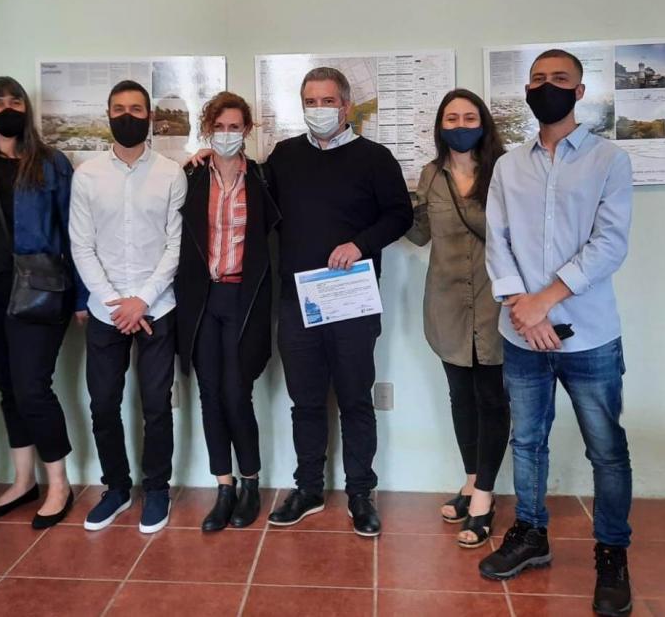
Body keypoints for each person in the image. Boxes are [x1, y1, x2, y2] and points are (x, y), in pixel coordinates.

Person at [197, 68, 412, 536]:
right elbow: (251, 192)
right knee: (305, 400)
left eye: (328, 100)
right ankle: (309, 488)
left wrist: (360, 244)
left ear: (347, 106)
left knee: (355, 399)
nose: (319, 109)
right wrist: (209, 158)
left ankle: (360, 493)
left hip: (352, 298)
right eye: (311, 101)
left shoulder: (375, 158)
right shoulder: (285, 156)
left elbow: (400, 214)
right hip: (298, 302)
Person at [480, 49, 634, 617]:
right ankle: (530, 534)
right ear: (527, 88)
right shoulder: (508, 167)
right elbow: (498, 241)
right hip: (522, 334)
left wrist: (544, 300)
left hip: (589, 336)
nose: (548, 87)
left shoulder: (608, 160)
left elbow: (610, 243)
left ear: (580, 90)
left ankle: (613, 554)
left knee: (607, 451)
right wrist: (524, 308)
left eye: (559, 79)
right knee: (527, 441)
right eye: (539, 79)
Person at [0, 76, 86, 530]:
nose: (7, 108)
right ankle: (23, 480)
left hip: (40, 293)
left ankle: (59, 484)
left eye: (15, 100)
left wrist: (83, 298)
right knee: (9, 389)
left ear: (26, 109)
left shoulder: (51, 164)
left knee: (33, 389)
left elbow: (76, 235)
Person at [70, 79, 187, 535]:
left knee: (157, 404)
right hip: (106, 311)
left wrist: (142, 300)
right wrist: (115, 301)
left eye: (137, 108)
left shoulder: (171, 174)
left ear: (150, 117)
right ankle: (116, 488)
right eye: (119, 108)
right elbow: (81, 246)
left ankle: (156, 489)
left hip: (158, 306)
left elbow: (176, 246)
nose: (128, 115)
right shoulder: (87, 175)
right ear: (108, 115)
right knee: (103, 404)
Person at [406, 89, 509, 548]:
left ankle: (485, 495)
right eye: (452, 118)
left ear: (483, 124)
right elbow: (419, 233)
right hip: (446, 306)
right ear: (440, 126)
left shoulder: (505, 172)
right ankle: (471, 480)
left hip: (497, 305)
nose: (461, 124)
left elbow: (518, 236)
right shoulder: (431, 175)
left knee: (492, 398)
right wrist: (391, 202)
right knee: (460, 397)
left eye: (469, 117)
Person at [174, 92, 280, 531]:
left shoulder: (263, 179)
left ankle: (251, 483)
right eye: (219, 127)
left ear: (248, 131)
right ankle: (224, 486)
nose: (227, 135)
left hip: (245, 299)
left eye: (235, 127)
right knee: (210, 395)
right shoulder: (191, 176)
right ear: (207, 130)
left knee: (237, 393)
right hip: (201, 300)